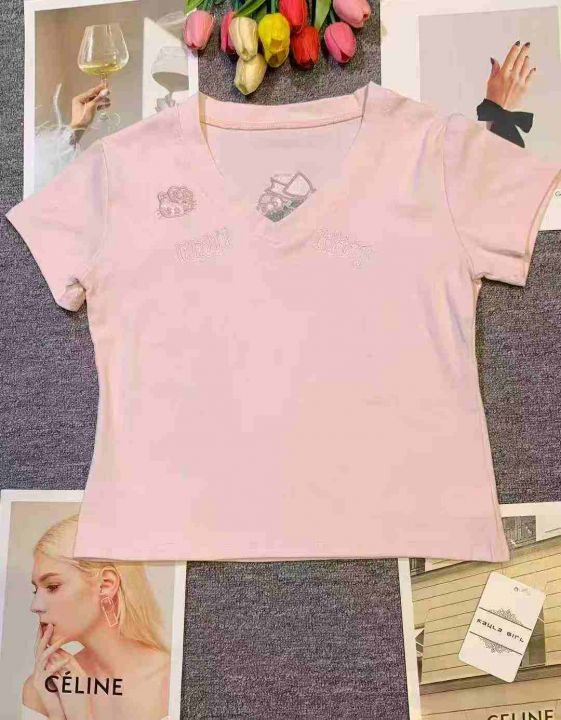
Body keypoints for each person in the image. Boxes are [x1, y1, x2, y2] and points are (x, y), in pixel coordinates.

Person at [20, 515, 170, 720]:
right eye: (35, 590)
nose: (35, 606)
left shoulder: (170, 681)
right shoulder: (41, 689)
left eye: (52, 587)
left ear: (106, 584)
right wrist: (56, 713)